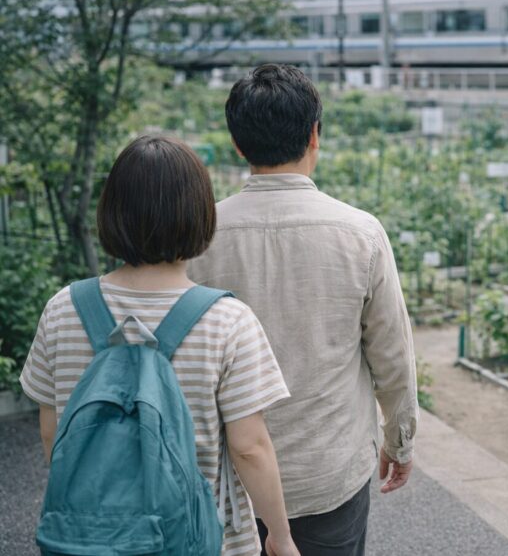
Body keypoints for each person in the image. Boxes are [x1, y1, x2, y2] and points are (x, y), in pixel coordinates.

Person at [19, 135, 300, 556]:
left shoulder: (63, 309)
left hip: (88, 538)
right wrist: (279, 535)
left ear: (111, 211)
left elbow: (52, 431)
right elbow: (249, 446)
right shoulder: (227, 321)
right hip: (200, 539)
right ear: (200, 215)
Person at [189, 64, 419, 556]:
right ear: (315, 134)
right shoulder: (361, 233)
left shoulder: (199, 235)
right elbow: (393, 357)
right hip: (328, 475)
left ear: (237, 144)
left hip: (225, 479)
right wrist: (399, 441)